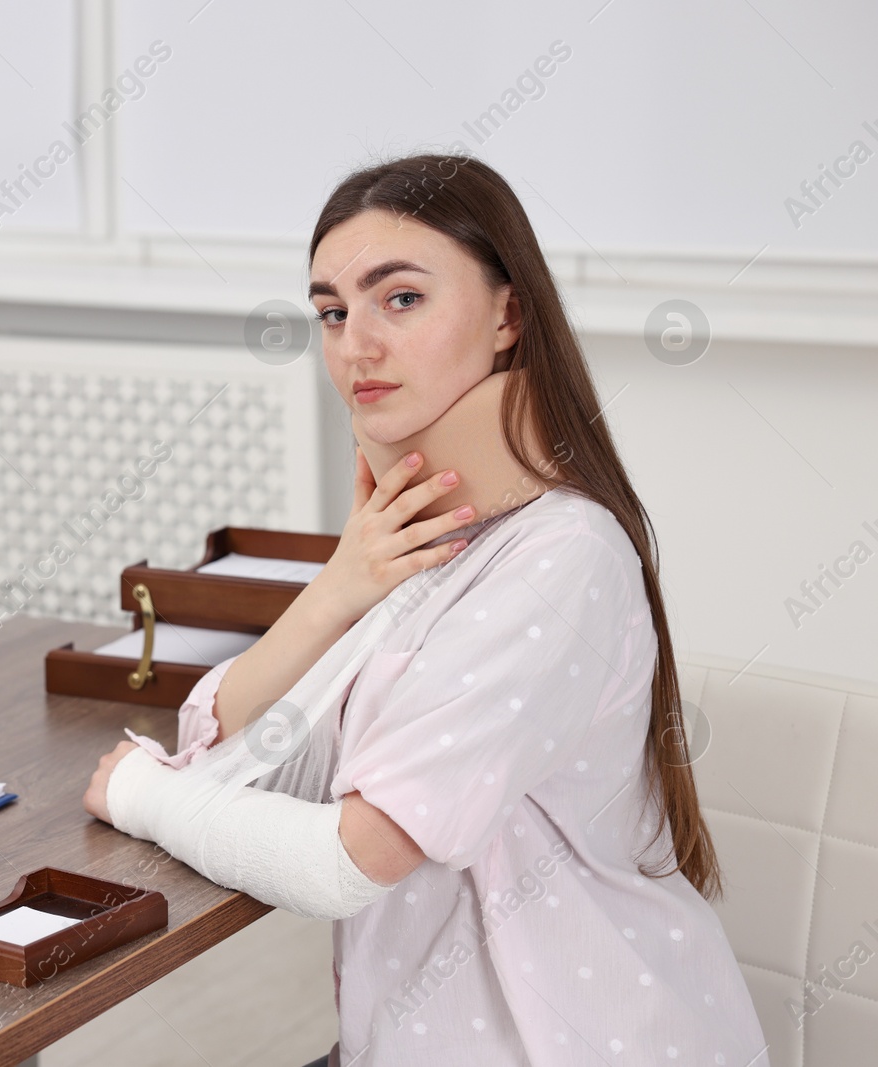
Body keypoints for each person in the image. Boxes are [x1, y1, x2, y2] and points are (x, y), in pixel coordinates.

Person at [83, 153, 766, 1064]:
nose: (354, 345)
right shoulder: (426, 545)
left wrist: (140, 794)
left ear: (507, 314)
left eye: (399, 299)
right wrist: (338, 588)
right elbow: (240, 752)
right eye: (332, 311)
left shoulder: (563, 559)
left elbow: (346, 859)